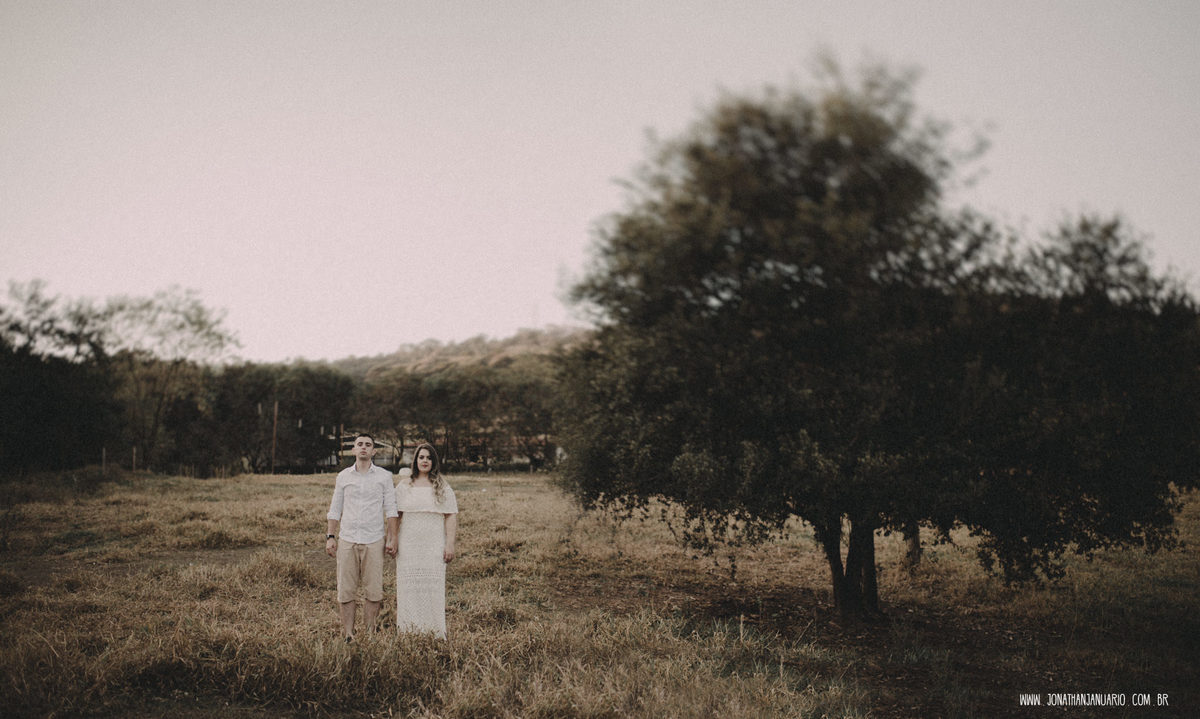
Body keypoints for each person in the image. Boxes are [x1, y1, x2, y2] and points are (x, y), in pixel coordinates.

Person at [326, 433, 399, 642]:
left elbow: (391, 509)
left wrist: (392, 538)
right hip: (347, 539)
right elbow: (335, 508)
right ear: (354, 450)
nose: (364, 447)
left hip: (374, 539)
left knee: (373, 590)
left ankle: (369, 634)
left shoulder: (384, 476)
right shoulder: (343, 476)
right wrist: (330, 536)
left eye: (368, 444)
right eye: (360, 444)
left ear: (374, 451)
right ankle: (348, 634)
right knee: (346, 589)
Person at [389, 442, 458, 638]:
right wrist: (392, 539)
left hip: (433, 543)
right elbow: (395, 516)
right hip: (409, 543)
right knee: (409, 587)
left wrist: (450, 544)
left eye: (429, 458)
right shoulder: (404, 486)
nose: (425, 461)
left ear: (434, 461)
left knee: (432, 587)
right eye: (421, 457)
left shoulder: (442, 486)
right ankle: (408, 631)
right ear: (415, 461)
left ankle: (434, 631)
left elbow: (451, 515)